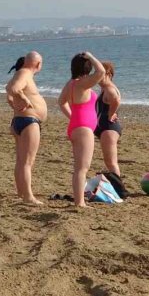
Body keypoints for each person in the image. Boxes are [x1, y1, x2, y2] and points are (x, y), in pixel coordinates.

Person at [58, 52, 106, 207]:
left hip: (76, 126)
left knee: (79, 167)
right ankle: (79, 202)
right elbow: (101, 72)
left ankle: (79, 201)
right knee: (82, 168)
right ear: (87, 68)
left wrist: (72, 117)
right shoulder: (82, 83)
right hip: (83, 129)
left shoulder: (70, 84)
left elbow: (61, 102)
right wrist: (91, 56)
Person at [5, 51, 46, 205]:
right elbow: (13, 88)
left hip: (21, 120)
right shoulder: (25, 73)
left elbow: (8, 87)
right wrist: (24, 99)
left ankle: (21, 192)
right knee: (27, 162)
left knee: (21, 161)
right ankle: (28, 196)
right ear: (38, 64)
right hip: (28, 122)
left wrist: (16, 103)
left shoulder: (22, 73)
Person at [95, 61, 122, 176]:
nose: (98, 76)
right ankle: (114, 184)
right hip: (105, 128)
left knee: (111, 163)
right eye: (97, 73)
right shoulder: (104, 88)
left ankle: (117, 185)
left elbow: (116, 100)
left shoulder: (109, 89)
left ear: (109, 74)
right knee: (109, 162)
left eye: (101, 73)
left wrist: (111, 114)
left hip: (109, 128)